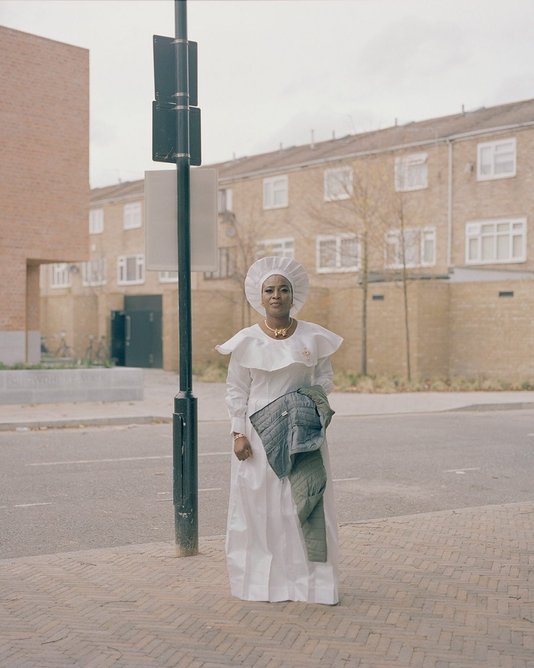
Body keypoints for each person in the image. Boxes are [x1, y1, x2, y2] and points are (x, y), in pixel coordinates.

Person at [216, 256, 343, 604]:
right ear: (261, 296)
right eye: (269, 290)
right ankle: (262, 584)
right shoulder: (246, 341)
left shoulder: (313, 337)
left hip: (303, 431)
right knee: (260, 508)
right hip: (257, 435)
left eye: (283, 289)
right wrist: (237, 432)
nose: (276, 295)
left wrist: (308, 405)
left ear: (293, 294)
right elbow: (236, 389)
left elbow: (324, 380)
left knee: (303, 502)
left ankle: (311, 586)